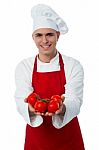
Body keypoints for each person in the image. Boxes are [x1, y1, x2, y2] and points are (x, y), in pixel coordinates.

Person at [14, 4, 85, 150]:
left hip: (68, 138)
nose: (45, 41)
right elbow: (21, 98)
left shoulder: (73, 65)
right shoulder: (24, 67)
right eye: (39, 35)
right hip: (37, 139)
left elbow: (75, 100)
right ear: (33, 37)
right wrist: (30, 107)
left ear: (58, 36)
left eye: (50, 34)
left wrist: (63, 107)